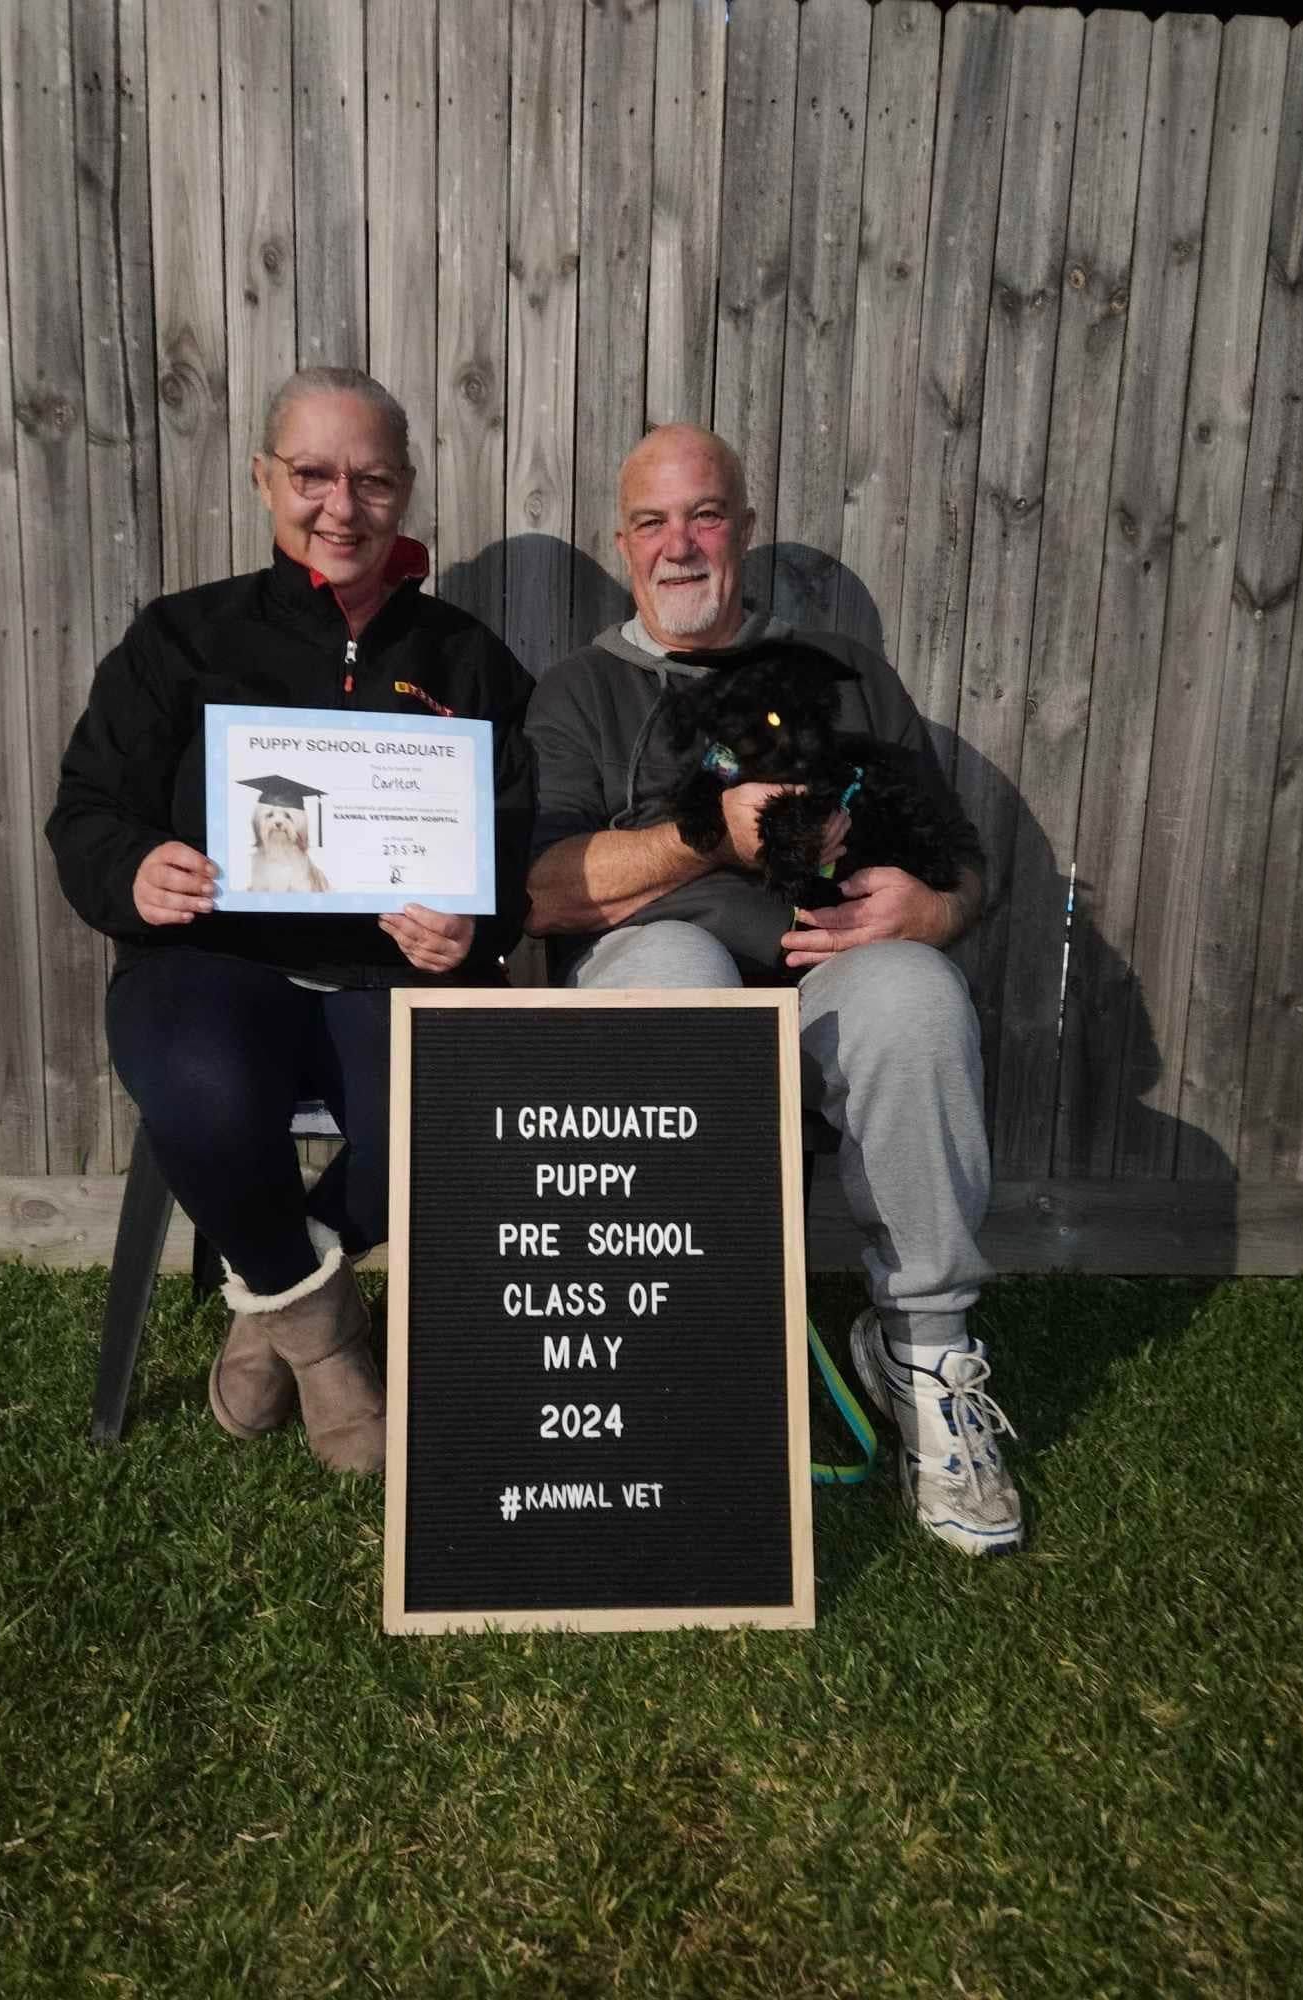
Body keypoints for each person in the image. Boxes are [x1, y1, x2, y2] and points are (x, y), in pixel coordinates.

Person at [524, 423, 1021, 1555]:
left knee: (917, 989)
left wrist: (930, 910)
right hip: (654, 968)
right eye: (653, 521)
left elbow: (966, 867)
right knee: (681, 967)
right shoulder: (578, 692)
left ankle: (926, 1354)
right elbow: (542, 891)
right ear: (623, 542)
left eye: (705, 515)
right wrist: (707, 838)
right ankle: (676, 1367)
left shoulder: (841, 674)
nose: (680, 543)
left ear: (745, 531)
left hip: (827, 977)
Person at [48, 367, 534, 1474]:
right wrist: (135, 871)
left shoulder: (469, 660)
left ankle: (268, 1289)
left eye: (370, 480)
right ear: (264, 477)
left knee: (446, 1122)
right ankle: (324, 1350)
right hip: (211, 962)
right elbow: (87, 808)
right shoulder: (182, 639)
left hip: (394, 975)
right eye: (311, 474)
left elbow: (516, 844)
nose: (339, 507)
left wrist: (474, 921)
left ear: (406, 489)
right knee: (205, 1094)